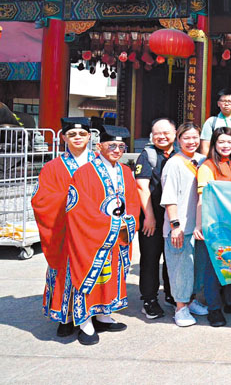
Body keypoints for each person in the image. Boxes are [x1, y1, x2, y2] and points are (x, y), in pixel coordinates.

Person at [65, 124, 140, 345]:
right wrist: (109, 225)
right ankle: (85, 322)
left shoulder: (125, 171)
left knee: (113, 274)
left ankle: (103, 315)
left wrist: (128, 222)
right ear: (99, 146)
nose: (117, 150)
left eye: (121, 146)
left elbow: (133, 201)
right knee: (90, 275)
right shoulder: (84, 173)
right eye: (112, 145)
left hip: (118, 236)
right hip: (91, 236)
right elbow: (78, 208)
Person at [32, 117, 93, 337]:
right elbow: (40, 199)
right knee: (64, 272)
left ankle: (93, 313)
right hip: (64, 230)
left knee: (94, 272)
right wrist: (71, 200)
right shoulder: (52, 167)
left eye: (82, 134)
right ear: (63, 138)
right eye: (72, 135)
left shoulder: (99, 163)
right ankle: (64, 315)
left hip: (93, 231)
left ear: (89, 136)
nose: (78, 138)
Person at [160, 123, 208, 328]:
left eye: (195, 137)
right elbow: (169, 197)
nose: (191, 141)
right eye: (186, 138)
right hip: (180, 225)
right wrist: (175, 225)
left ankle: (190, 301)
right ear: (178, 140)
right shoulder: (174, 163)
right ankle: (180, 307)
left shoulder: (201, 160)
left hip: (197, 226)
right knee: (180, 268)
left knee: (195, 267)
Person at [195, 127, 231, 328]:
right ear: (214, 144)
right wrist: (200, 224)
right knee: (213, 267)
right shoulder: (207, 166)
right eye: (221, 142)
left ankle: (230, 302)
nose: (226, 146)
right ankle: (214, 309)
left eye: (230, 143)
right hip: (213, 223)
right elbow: (201, 198)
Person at [134, 117, 176, 320]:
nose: (161, 136)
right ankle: (149, 300)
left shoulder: (179, 154)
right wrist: (149, 217)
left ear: (175, 133)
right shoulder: (148, 155)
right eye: (157, 133)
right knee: (151, 259)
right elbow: (142, 187)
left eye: (166, 132)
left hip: (173, 217)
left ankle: (171, 294)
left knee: (171, 258)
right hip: (153, 217)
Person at [200, 89, 231, 155]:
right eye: (223, 101)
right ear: (218, 103)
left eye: (230, 101)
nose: (226, 104)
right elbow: (205, 147)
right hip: (216, 159)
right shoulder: (211, 122)